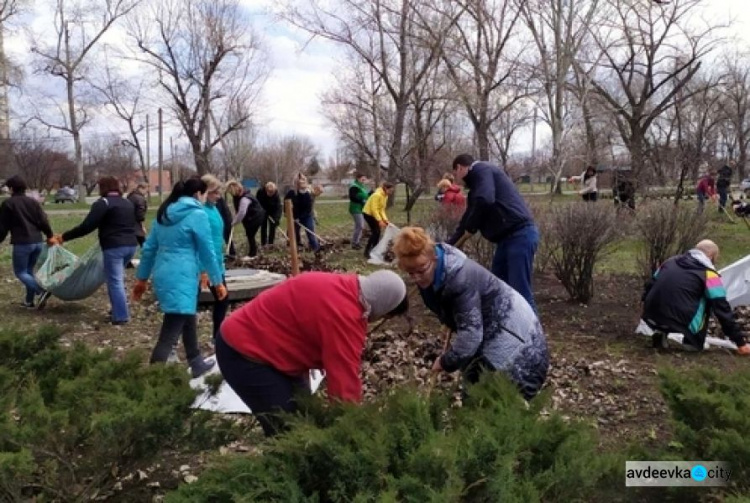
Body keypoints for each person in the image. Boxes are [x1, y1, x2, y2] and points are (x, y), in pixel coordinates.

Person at [216, 269, 408, 436]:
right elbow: (344, 383)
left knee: (306, 411)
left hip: (267, 345)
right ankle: (282, 473)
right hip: (244, 353)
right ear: (383, 308)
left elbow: (305, 324)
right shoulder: (347, 316)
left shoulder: (347, 286)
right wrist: (351, 430)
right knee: (289, 428)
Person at [393, 227, 548, 400]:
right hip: (489, 338)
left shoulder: (460, 280)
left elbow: (471, 337)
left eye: (421, 270)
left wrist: (445, 361)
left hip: (520, 352)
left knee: (493, 407)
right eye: (410, 273)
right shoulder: (435, 273)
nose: (417, 278)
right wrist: (449, 320)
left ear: (433, 257)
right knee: (474, 397)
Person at [132, 177, 227, 377]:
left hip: (164, 272)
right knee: (172, 326)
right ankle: (154, 375)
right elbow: (207, 251)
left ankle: (195, 361)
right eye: (203, 194)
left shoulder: (164, 213)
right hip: (182, 273)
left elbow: (148, 249)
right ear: (197, 194)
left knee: (187, 314)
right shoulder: (197, 214)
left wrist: (142, 278)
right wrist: (217, 281)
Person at [448, 154, 539, 311]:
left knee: (521, 292)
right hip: (505, 241)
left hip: (520, 235)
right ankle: (502, 333)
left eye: (456, 173)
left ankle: (534, 335)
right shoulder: (476, 189)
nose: (457, 178)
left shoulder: (482, 169)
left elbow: (485, 199)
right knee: (497, 291)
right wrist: (447, 248)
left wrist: (472, 226)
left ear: (460, 168)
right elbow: (466, 222)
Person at [642, 240, 750, 355]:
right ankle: (692, 343)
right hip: (680, 319)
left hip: (650, 316)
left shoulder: (669, 262)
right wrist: (740, 342)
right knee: (707, 302)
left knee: (671, 296)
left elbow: (650, 285)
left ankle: (660, 331)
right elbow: (722, 308)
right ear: (712, 256)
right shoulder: (709, 274)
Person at [55, 176, 137, 324]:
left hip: (114, 246)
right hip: (131, 246)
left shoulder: (103, 203)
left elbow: (86, 227)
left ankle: (121, 317)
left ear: (103, 188)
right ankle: (118, 309)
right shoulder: (127, 203)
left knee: (115, 281)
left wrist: (64, 237)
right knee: (117, 278)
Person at [0, 175, 55, 309]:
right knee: (28, 272)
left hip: (22, 242)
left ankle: (41, 291)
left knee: (20, 272)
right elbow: (43, 221)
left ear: (12, 188)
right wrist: (49, 235)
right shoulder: (33, 202)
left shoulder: (8, 204)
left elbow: (3, 226)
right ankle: (29, 302)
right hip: (37, 242)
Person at [201, 175, 231, 341]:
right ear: (205, 192)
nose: (219, 196)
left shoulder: (213, 208)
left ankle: (217, 336)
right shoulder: (201, 211)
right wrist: (203, 268)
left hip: (216, 262)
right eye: (215, 193)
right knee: (187, 306)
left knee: (223, 299)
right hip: (205, 264)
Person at [226, 181, 266, 258]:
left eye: (231, 192)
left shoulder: (244, 198)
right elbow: (238, 210)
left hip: (255, 217)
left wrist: (234, 222)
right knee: (250, 234)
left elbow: (242, 213)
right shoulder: (239, 196)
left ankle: (252, 254)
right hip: (250, 217)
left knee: (250, 234)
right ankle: (253, 251)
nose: (231, 194)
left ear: (235, 190)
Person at [284, 173, 319, 252]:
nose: (303, 183)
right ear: (297, 183)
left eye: (304, 181)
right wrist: (294, 217)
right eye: (300, 182)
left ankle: (315, 248)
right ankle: (294, 249)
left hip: (307, 215)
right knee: (293, 233)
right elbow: (286, 205)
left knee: (310, 232)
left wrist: (311, 214)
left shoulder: (308, 193)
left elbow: (309, 207)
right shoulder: (292, 193)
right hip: (294, 216)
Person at [362, 182, 395, 259]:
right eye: (390, 191)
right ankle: (367, 251)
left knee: (378, 232)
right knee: (375, 232)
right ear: (386, 189)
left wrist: (385, 220)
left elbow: (382, 210)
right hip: (368, 214)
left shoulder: (385, 196)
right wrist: (379, 220)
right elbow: (374, 209)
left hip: (374, 213)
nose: (391, 192)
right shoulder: (377, 195)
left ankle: (375, 249)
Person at [348, 172, 370, 250]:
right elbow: (352, 197)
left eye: (365, 179)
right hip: (355, 208)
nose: (364, 180)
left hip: (361, 208)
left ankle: (356, 242)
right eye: (362, 179)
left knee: (359, 226)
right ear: (358, 178)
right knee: (360, 226)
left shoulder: (362, 186)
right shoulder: (354, 186)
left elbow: (366, 195)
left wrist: (371, 193)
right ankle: (354, 243)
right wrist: (362, 201)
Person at [256, 181, 282, 247]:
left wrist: (277, 219)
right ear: (266, 189)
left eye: (272, 192)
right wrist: (261, 211)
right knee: (263, 226)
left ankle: (270, 243)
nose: (271, 194)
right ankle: (263, 243)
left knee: (273, 226)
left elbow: (278, 208)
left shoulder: (276, 195)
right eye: (269, 192)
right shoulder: (260, 192)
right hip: (263, 210)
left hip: (273, 211)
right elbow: (256, 203)